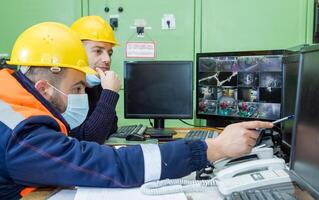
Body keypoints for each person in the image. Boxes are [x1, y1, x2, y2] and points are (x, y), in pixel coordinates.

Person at [0, 22, 273, 200]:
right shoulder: (22, 133)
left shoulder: (11, 95)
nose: (81, 96)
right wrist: (213, 149)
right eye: (78, 88)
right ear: (45, 88)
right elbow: (105, 165)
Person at [69, 16, 120, 144]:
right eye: (98, 51)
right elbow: (88, 139)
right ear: (76, 51)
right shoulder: (65, 88)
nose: (107, 59)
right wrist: (110, 93)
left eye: (109, 53)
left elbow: (111, 128)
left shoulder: (97, 83)